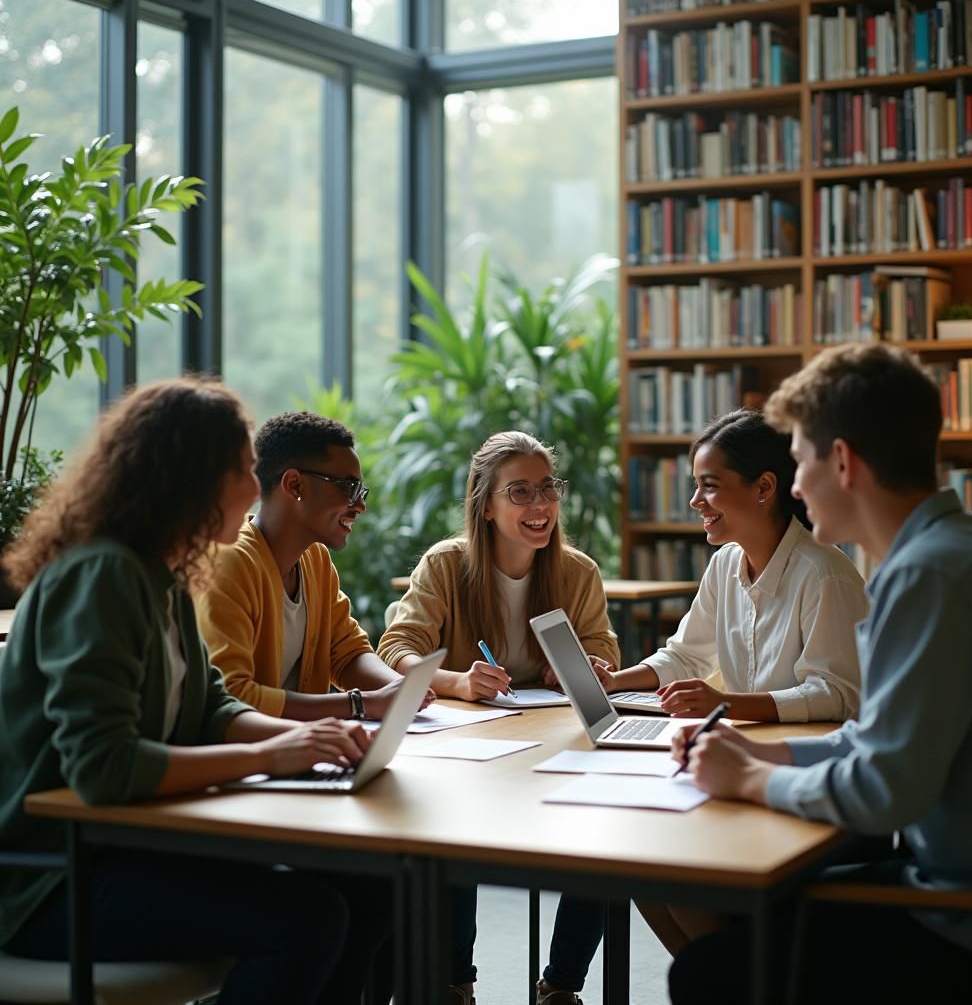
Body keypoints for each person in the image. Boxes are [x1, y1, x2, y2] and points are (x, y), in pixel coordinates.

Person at [0, 379, 385, 1005]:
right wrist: (272, 755)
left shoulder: (164, 576)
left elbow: (212, 708)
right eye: (240, 468)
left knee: (371, 889)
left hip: (129, 847)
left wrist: (314, 740)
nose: (250, 484)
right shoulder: (103, 575)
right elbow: (102, 768)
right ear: (190, 476)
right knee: (309, 920)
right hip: (54, 882)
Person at [670, 344, 972, 1004]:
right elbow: (879, 738)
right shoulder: (952, 554)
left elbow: (884, 789)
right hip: (961, 884)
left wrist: (751, 776)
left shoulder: (930, 577)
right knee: (726, 926)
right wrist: (748, 747)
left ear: (843, 462)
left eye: (800, 460)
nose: (795, 484)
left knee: (707, 968)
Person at [377, 430, 619, 1005]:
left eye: (548, 489)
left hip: (552, 746)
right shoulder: (446, 564)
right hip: (472, 749)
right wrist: (457, 680)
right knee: (451, 831)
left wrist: (590, 667)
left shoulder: (577, 572)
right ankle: (455, 981)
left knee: (611, 838)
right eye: (520, 493)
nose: (540, 506)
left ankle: (561, 987)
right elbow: (396, 649)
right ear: (485, 505)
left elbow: (605, 653)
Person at [593, 409, 866, 728]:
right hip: (744, 743)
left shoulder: (824, 574)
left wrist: (724, 704)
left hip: (804, 756)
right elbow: (686, 656)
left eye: (709, 486)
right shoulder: (724, 565)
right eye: (695, 485)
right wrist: (615, 681)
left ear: (764, 487)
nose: (695, 501)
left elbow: (837, 695)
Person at [195, 410, 432, 723]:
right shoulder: (231, 561)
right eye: (348, 488)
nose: (360, 505)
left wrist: (400, 688)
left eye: (361, 492)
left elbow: (347, 654)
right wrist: (360, 704)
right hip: (247, 762)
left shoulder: (316, 561)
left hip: (303, 753)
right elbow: (232, 695)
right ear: (294, 485)